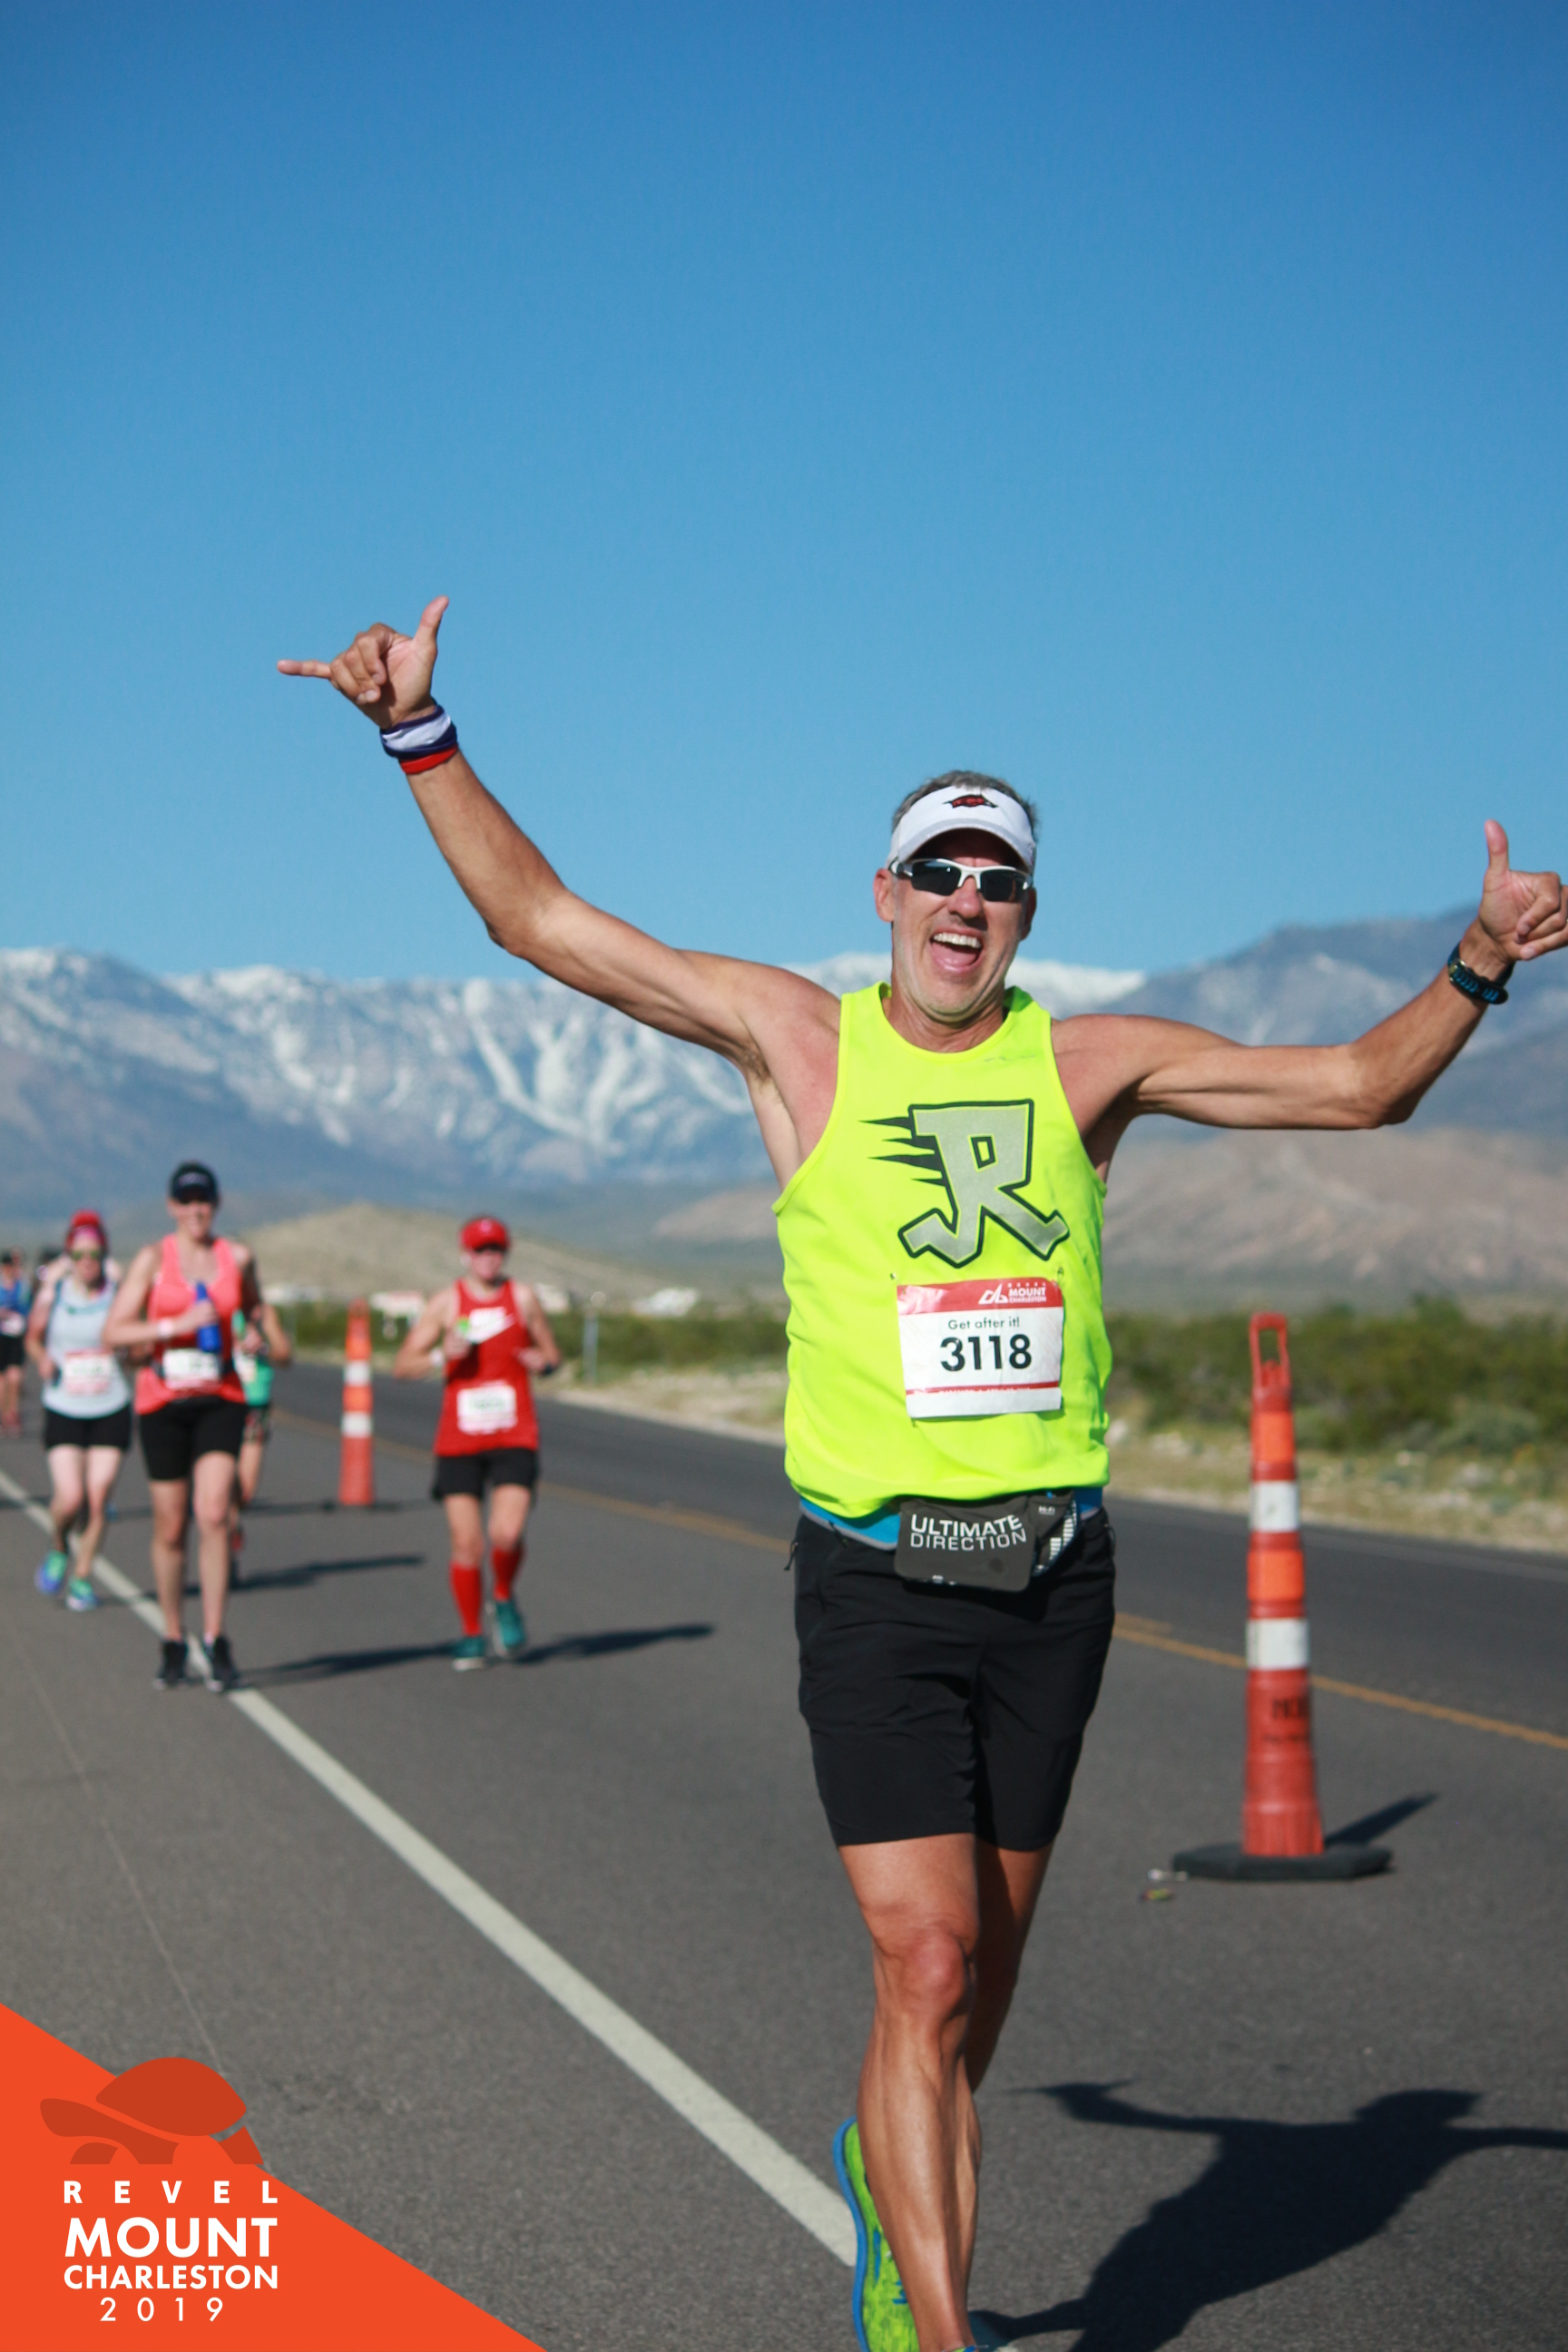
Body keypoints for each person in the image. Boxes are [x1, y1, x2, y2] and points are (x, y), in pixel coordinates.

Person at [282, 601, 1566, 2352]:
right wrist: (418, 736)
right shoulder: (792, 1036)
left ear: (1025, 910)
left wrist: (1478, 960)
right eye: (937, 871)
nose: (965, 900)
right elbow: (542, 922)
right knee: (927, 1959)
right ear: (883, 891)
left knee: (977, 1996)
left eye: (997, 879)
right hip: (877, 1581)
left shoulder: (1089, 1061)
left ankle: (889, 2173)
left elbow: (1354, 1088)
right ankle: (934, 2317)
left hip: (1051, 1584)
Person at [103, 1161, 266, 1693]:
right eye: (187, 1201)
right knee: (171, 1526)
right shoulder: (154, 1259)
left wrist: (253, 1335)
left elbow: (254, 1310)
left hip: (221, 1396)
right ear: (172, 1207)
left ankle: (216, 1638)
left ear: (216, 1205)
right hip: (164, 1400)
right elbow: (114, 1331)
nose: (197, 1210)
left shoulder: (236, 1257)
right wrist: (175, 1325)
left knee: (214, 1513)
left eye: (204, 1201)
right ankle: (173, 1637)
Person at [393, 1216, 561, 1668]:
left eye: (496, 1250)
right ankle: (471, 1633)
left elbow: (552, 1354)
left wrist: (541, 1362)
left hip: (513, 1433)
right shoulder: (447, 1302)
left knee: (506, 1532)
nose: (489, 1258)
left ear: (506, 1253)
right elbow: (402, 1365)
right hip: (460, 1440)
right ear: (465, 1255)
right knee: (467, 1544)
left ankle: (502, 1595)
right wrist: (439, 1355)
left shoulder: (522, 1298)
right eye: (480, 1250)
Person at [25, 1212, 132, 1610]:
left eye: (95, 1254)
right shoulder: (54, 1293)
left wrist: (127, 1350)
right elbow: (33, 1338)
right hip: (64, 1404)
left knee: (98, 1497)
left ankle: (83, 1577)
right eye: (80, 1254)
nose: (88, 1261)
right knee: (70, 1498)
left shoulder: (117, 1292)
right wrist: (42, 1358)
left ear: (105, 1255)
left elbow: (134, 1338)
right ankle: (59, 1547)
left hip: (110, 1404)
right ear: (69, 1256)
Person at [229, 1297, 295, 1573]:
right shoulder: (215, 1305)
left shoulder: (263, 1312)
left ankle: (231, 1523)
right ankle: (226, 1553)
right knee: (220, 1484)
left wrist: (263, 1345)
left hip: (255, 1405)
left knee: (245, 1490)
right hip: (221, 1402)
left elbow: (285, 1356)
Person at [0, 1248, 32, 1436]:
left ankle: (12, 1413)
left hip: (17, 1335)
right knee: (2, 1379)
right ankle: (3, 1415)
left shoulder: (22, 1286)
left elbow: (28, 1307)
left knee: (15, 1377)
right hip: (1, 1336)